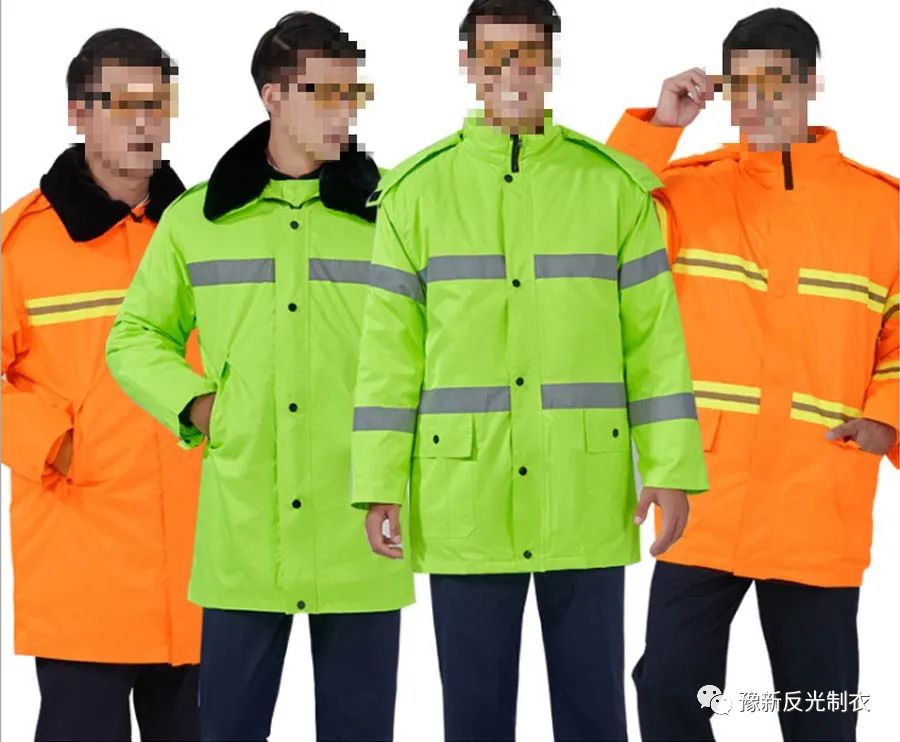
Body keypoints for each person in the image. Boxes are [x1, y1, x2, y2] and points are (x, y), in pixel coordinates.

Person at [349, 1, 708, 740]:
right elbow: (387, 356)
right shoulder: (415, 193)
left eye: (529, 55)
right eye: (494, 56)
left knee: (594, 714)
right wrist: (378, 481)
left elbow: (655, 343)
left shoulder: (613, 188)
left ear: (552, 63)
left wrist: (670, 467)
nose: (512, 73)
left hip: (585, 490)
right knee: (474, 717)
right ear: (467, 66)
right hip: (464, 493)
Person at [105, 12, 410, 742]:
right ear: (274, 96)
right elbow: (134, 337)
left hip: (363, 528)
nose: (343, 111)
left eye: (351, 93)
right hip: (244, 537)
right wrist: (201, 407)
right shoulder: (197, 220)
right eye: (323, 92)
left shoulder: (396, 213)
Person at [607, 8, 898, 741]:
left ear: (811, 83)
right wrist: (660, 127)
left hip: (818, 493)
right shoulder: (685, 190)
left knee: (818, 711)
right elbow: (594, 224)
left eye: (775, 82)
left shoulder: (881, 210)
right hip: (705, 493)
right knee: (668, 689)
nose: (758, 102)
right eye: (742, 86)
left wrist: (886, 418)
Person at [1, 28, 202, 742]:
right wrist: (53, 440)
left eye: (156, 104)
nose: (144, 122)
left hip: (205, 573)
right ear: (78, 112)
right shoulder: (22, 243)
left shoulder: (206, 232)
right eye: (122, 104)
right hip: (83, 574)